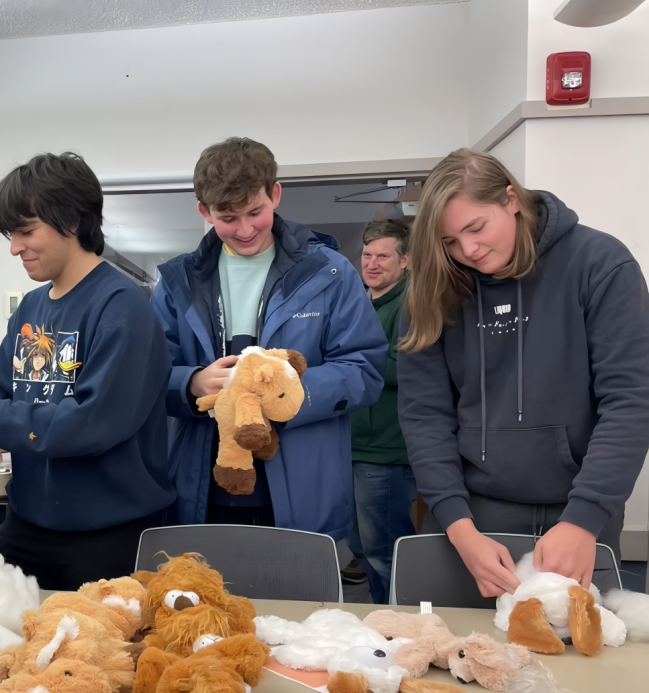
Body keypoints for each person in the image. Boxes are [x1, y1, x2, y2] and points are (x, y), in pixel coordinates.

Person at [399, 149, 649, 597]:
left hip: (580, 514)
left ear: (511, 198)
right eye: (449, 242)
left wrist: (584, 518)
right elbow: (425, 417)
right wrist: (459, 528)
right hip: (471, 517)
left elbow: (631, 401)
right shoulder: (434, 288)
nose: (468, 251)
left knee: (582, 657)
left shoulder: (599, 263)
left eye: (476, 228)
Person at [0, 152, 175, 589]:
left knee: (94, 656)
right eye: (11, 234)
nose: (14, 247)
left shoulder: (122, 308)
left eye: (26, 231)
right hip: (26, 524)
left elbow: (93, 424)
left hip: (107, 535)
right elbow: (4, 400)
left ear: (72, 222)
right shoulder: (31, 307)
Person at [151, 137, 387, 538]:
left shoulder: (330, 272)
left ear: (275, 195)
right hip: (198, 493)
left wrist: (290, 392)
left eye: (255, 212)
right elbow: (147, 375)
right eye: (227, 217)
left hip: (302, 491)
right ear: (204, 211)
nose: (245, 230)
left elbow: (365, 369)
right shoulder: (176, 281)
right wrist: (191, 383)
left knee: (296, 601)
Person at [346, 219, 417, 603]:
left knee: (385, 552)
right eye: (367, 255)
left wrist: (347, 366)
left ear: (404, 261)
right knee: (360, 548)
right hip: (352, 447)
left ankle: (405, 628)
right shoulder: (358, 303)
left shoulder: (413, 305)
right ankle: (380, 619)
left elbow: (407, 368)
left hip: (386, 452)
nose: (372, 264)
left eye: (383, 256)